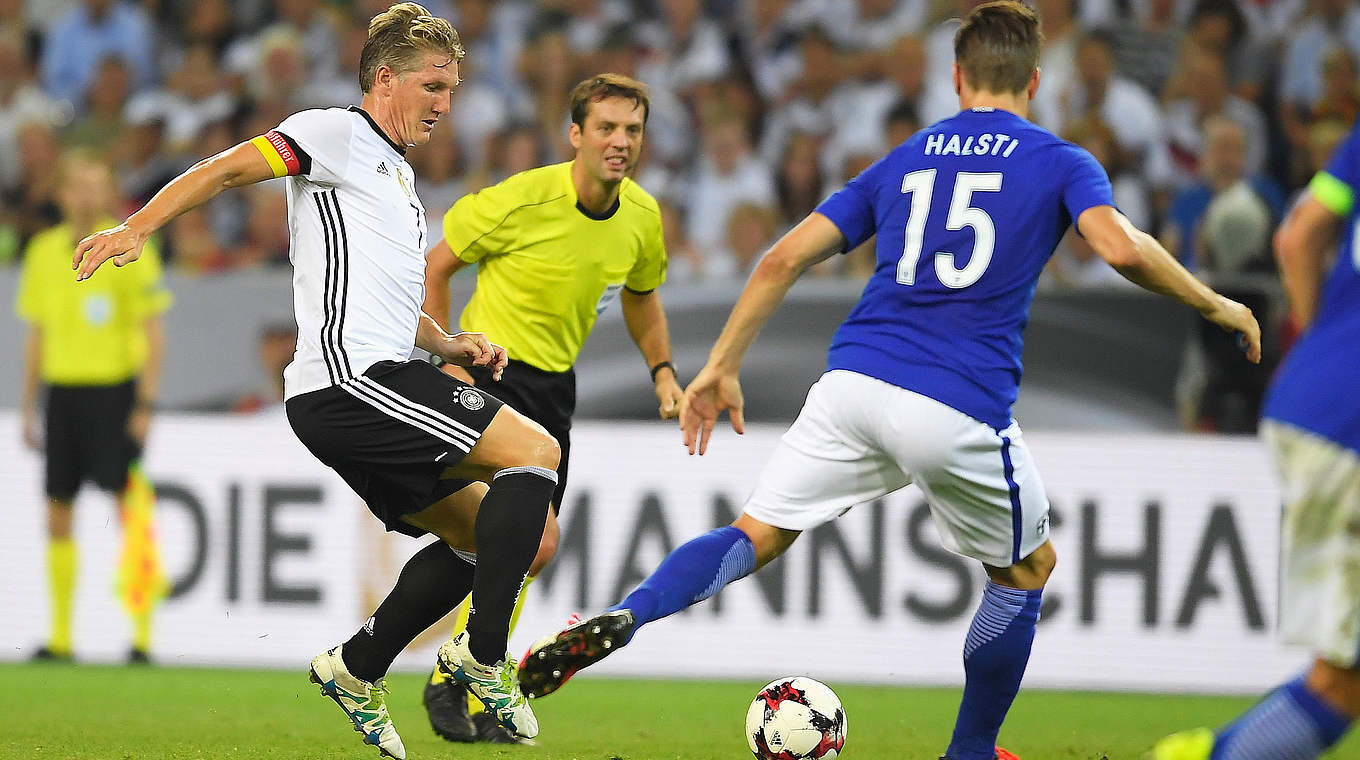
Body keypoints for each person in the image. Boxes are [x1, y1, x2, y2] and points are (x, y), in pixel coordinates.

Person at [516, 4, 1262, 760]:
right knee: (1028, 567)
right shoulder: (1062, 160)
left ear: (956, 78)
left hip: (852, 383)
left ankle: (627, 614)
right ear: (1034, 79)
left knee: (755, 533)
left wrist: (722, 364)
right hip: (958, 399)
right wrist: (1213, 299)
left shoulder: (907, 156)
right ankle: (970, 752)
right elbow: (1120, 249)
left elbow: (781, 258)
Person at [72, 5, 557, 758]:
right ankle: (482, 657)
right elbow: (229, 166)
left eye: (453, 91)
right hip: (349, 382)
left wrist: (447, 340)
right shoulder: (335, 133)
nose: (445, 105)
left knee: (502, 539)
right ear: (385, 77)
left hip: (371, 379)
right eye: (433, 86)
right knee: (537, 453)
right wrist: (140, 224)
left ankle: (357, 668)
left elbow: (387, 306)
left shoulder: (396, 175)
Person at [420, 72, 681, 744]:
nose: (620, 142)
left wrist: (662, 371)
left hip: (552, 391)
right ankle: (463, 674)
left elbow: (642, 294)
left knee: (525, 550)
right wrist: (449, 359)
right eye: (606, 128)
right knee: (530, 540)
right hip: (489, 372)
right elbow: (437, 265)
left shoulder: (643, 220)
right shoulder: (522, 199)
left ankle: (465, 675)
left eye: (632, 130)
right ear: (576, 135)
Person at [1149, 119, 1360, 760]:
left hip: (1313, 400)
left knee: (1343, 676)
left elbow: (1297, 236)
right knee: (1343, 684)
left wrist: (1323, 341)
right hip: (1351, 431)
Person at [17, 149, 171, 665]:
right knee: (58, 509)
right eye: (75, 185)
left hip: (114, 392)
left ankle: (142, 636)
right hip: (62, 394)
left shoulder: (129, 244)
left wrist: (145, 402)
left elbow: (153, 331)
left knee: (129, 510)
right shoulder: (41, 252)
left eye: (94, 184)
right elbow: (37, 334)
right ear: (60, 193)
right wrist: (28, 405)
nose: (84, 195)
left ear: (107, 192)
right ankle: (60, 637)